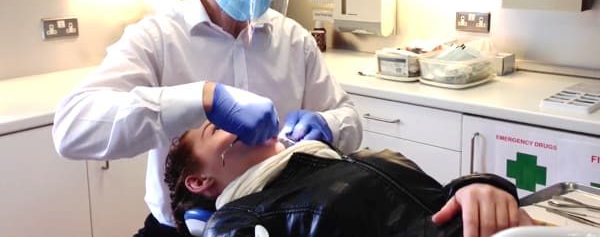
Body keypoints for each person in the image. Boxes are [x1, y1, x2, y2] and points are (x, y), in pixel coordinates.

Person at [51, 0, 361, 236]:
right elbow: (71, 128)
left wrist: (328, 125)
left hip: (276, 223)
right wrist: (204, 98)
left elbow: (349, 117)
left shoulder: (293, 40)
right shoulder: (157, 39)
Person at [165, 121, 534, 237]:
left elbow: (428, 208)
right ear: (199, 181)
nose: (238, 121)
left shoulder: (335, 162)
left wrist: (477, 186)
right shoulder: (240, 219)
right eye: (216, 129)